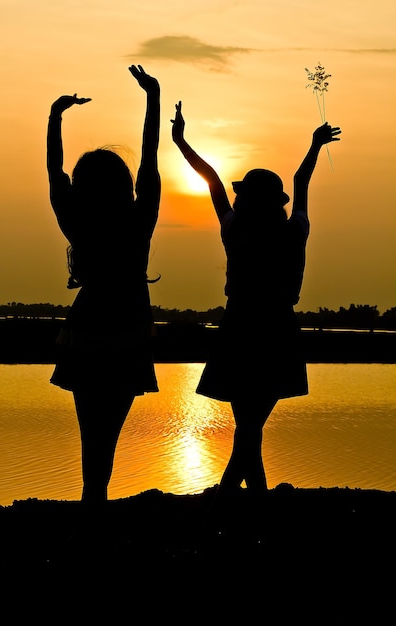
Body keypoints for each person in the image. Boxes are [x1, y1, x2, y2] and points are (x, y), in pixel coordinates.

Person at [171, 101, 341, 512]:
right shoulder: (293, 231)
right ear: (276, 203)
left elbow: (211, 179)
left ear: (248, 200)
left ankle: (238, 494)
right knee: (251, 423)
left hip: (242, 325)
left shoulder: (234, 229)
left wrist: (180, 141)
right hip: (276, 327)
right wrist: (315, 145)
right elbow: (301, 181)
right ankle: (252, 497)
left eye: (244, 193)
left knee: (247, 423)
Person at [47, 65, 161, 505]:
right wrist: (152, 98)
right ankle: (96, 499)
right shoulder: (137, 219)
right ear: (124, 185)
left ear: (81, 186)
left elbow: (54, 171)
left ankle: (92, 499)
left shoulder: (77, 220)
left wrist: (55, 118)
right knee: (107, 430)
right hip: (129, 325)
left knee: (89, 430)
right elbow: (150, 157)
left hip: (88, 325)